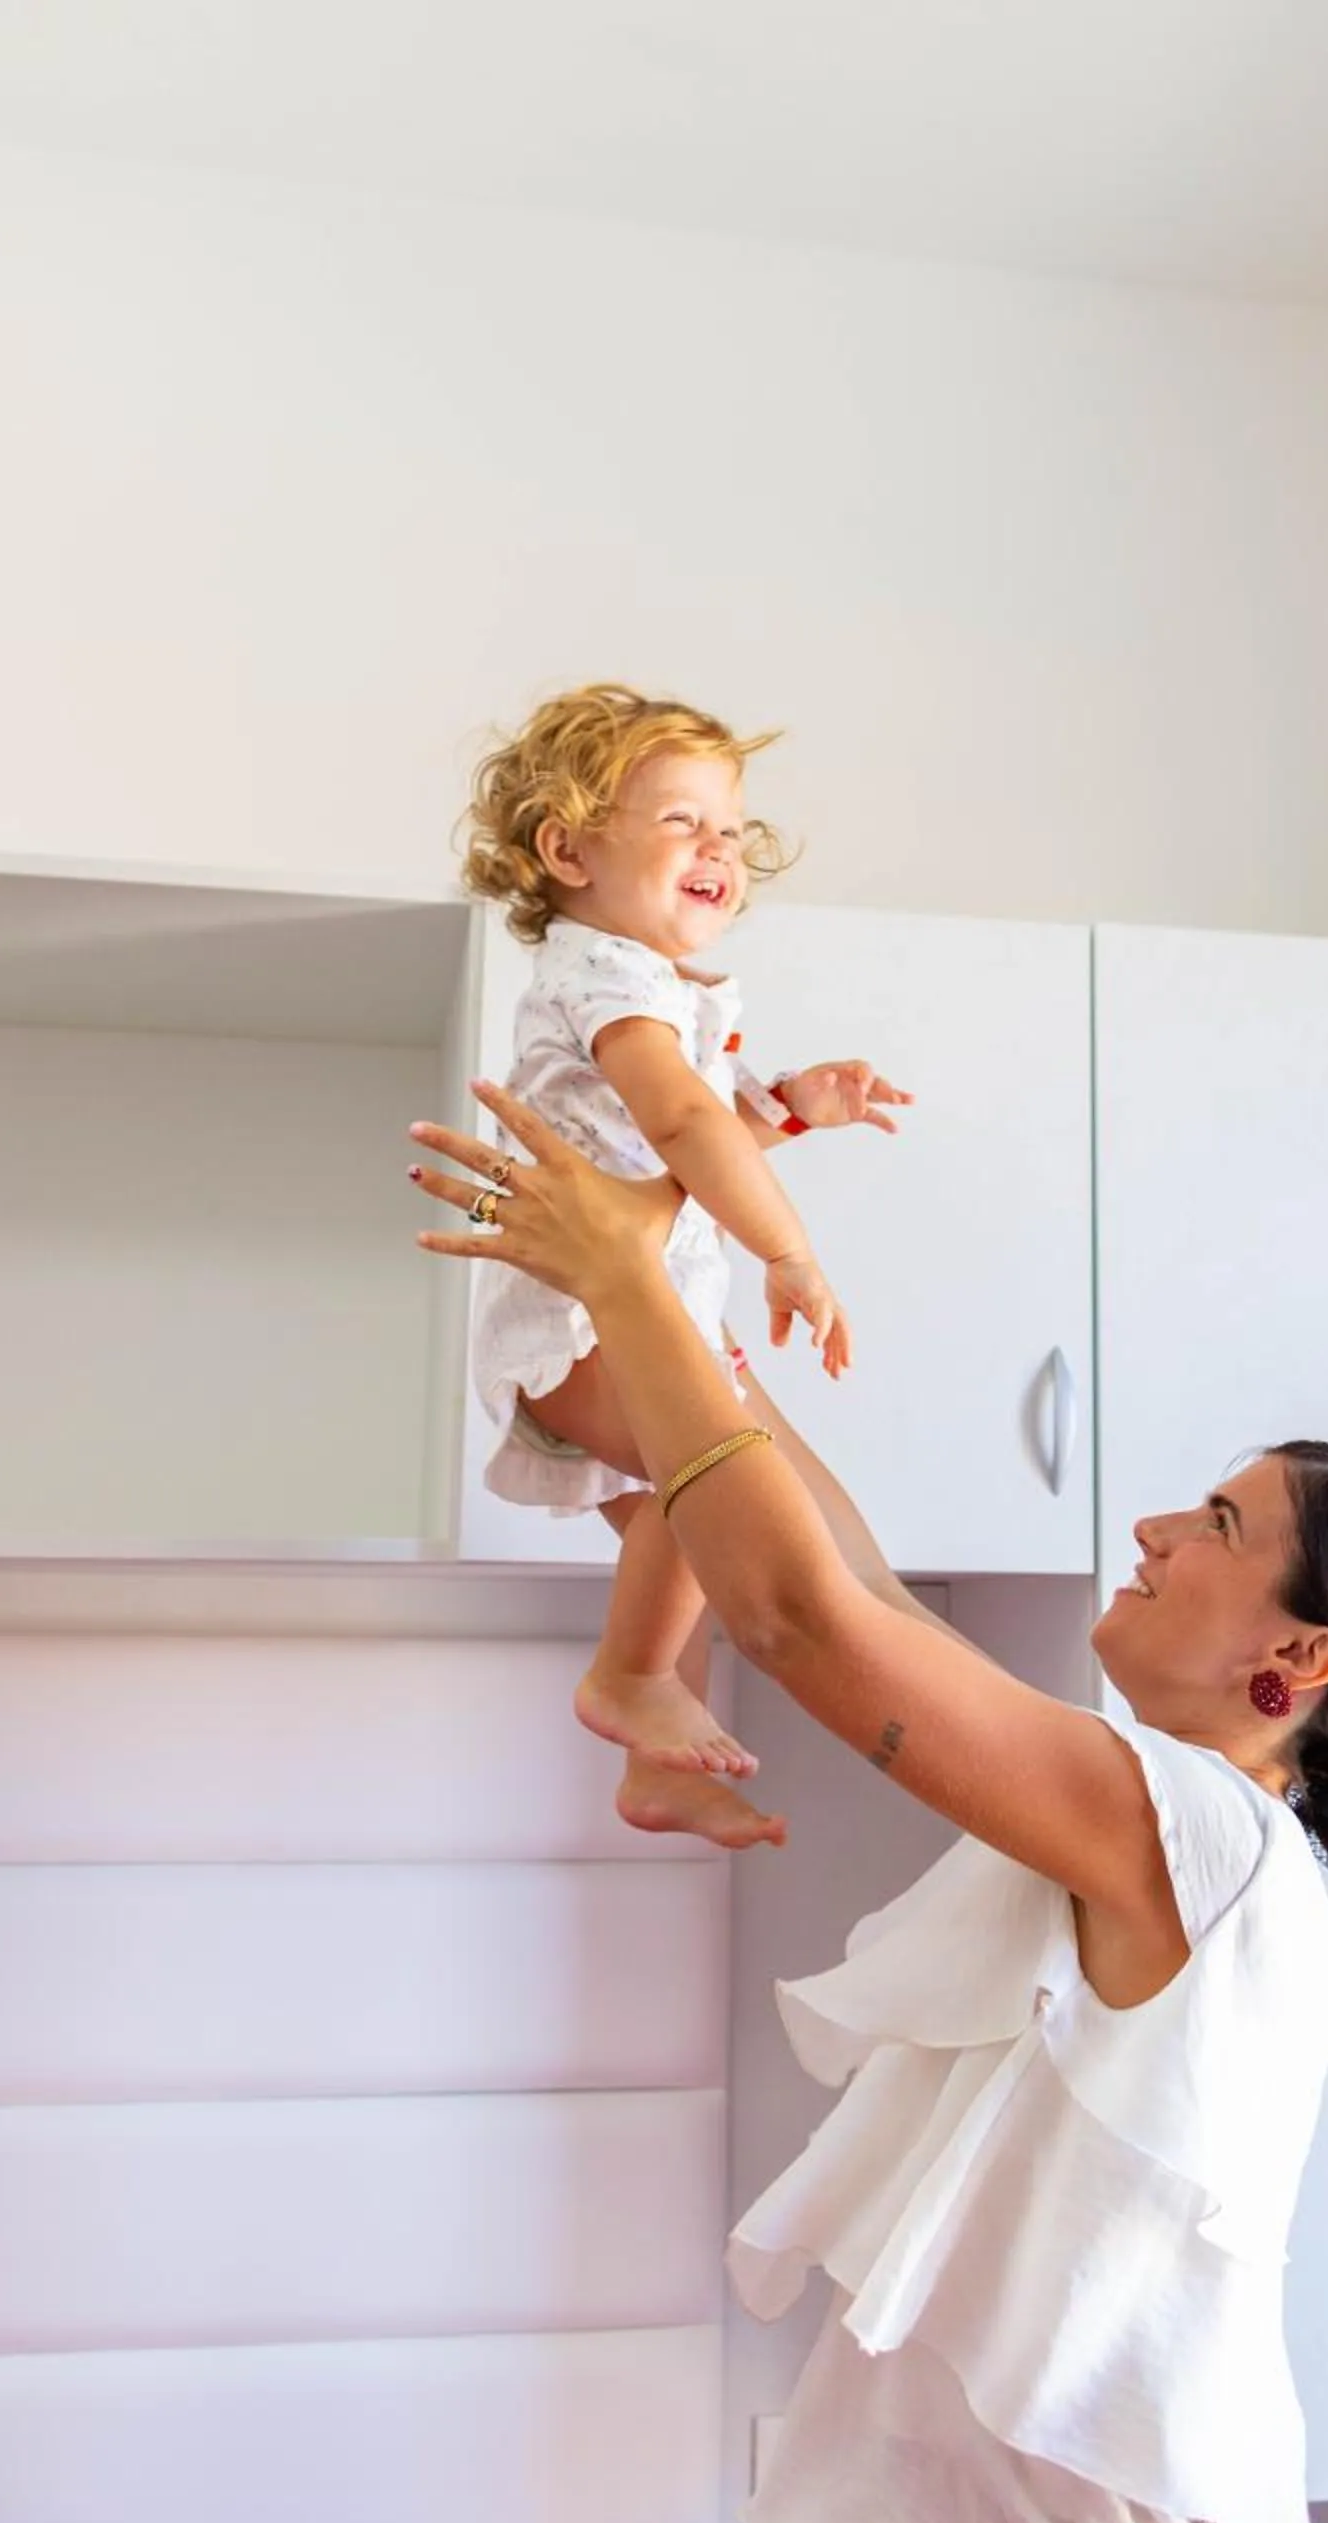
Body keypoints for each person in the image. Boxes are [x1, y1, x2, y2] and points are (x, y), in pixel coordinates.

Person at [408, 1087, 1328, 2523]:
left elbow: (810, 1627)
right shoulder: (1138, 1813)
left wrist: (634, 1288)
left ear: (1298, 1663)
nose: (1155, 1522)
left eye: (1220, 1523)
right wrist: (669, 1336)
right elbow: (861, 1588)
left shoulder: (1216, 1847)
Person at [459, 683, 911, 1848]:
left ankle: (657, 1755)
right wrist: (791, 1251)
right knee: (704, 1478)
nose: (717, 849)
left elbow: (688, 1129)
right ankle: (627, 1678)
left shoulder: (646, 987)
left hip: (629, 1314)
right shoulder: (608, 976)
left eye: (728, 830)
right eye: (679, 823)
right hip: (588, 1323)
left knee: (704, 1539)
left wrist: (791, 1110)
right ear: (567, 849)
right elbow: (680, 1130)